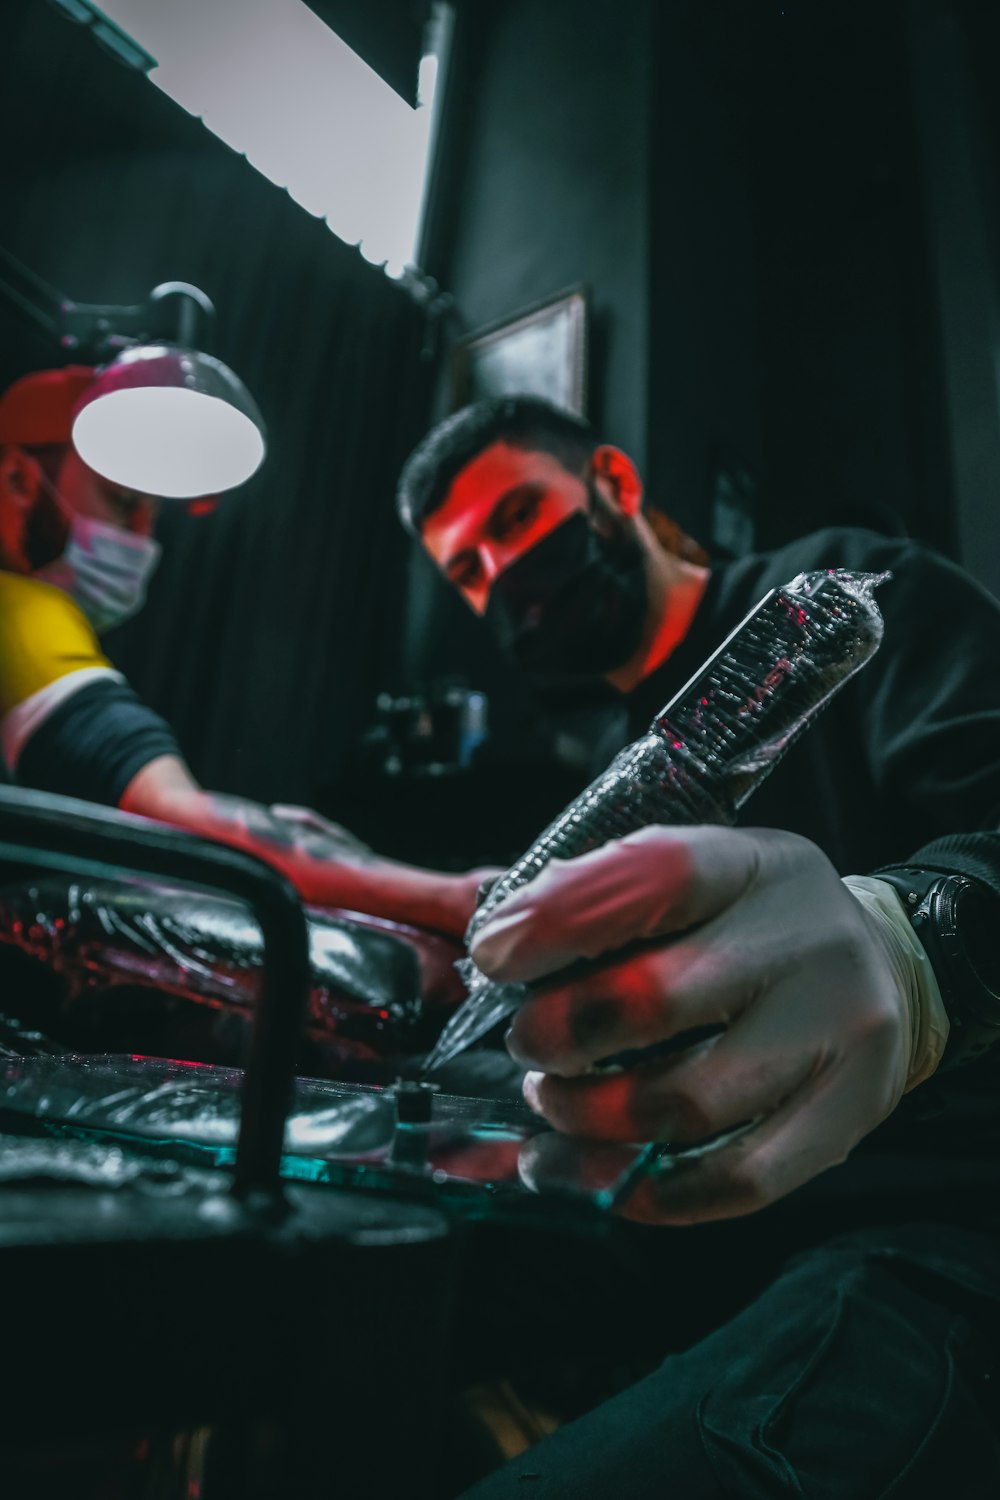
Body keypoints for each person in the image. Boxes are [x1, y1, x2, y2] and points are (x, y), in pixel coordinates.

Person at [396, 395, 1000, 1495]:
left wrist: (919, 947)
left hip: (943, 1226)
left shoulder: (844, 600)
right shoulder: (615, 773)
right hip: (715, 1230)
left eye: (518, 518)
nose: (504, 576)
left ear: (615, 487)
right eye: (470, 572)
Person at [0, 365, 481, 935]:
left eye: (153, 516)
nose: (141, 540)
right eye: (123, 500)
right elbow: (170, 816)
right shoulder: (19, 609)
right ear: (17, 480)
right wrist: (456, 898)